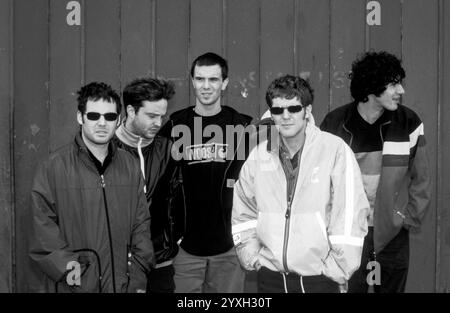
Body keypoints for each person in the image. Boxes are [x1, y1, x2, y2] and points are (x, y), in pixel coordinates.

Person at [232, 74, 369, 293]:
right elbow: (243, 211)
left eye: (293, 109)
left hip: (319, 278)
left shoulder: (334, 150)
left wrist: (336, 269)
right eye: (278, 110)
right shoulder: (259, 156)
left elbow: (350, 214)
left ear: (307, 110)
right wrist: (251, 255)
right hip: (270, 279)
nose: (285, 116)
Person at [320, 51, 431, 293]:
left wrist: (406, 218)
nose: (400, 90)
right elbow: (320, 181)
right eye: (393, 84)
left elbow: (421, 178)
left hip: (392, 234)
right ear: (371, 88)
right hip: (348, 233)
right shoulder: (335, 123)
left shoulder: (408, 122)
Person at [29, 82, 154, 293]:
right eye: (94, 116)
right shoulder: (53, 168)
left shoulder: (130, 166)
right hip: (77, 286)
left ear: (118, 120)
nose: (102, 123)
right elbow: (42, 229)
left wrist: (139, 272)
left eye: (110, 116)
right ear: (80, 117)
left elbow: (141, 225)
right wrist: (69, 270)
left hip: (124, 286)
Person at [159, 52, 252, 293]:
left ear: (225, 83)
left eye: (213, 79)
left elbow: (256, 187)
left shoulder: (241, 127)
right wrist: (172, 237)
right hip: (184, 250)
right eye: (200, 79)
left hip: (229, 249)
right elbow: (159, 184)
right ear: (192, 81)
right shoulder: (174, 126)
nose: (206, 86)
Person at [114, 77, 178, 293]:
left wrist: (172, 239)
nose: (159, 123)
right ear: (131, 111)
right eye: (151, 116)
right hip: (116, 264)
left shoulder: (169, 150)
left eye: (162, 116)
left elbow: (179, 200)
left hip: (160, 264)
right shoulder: (106, 150)